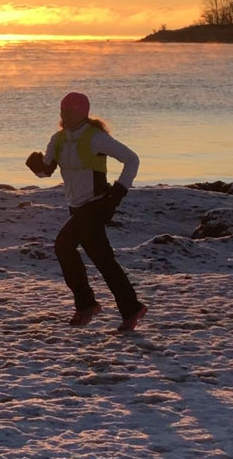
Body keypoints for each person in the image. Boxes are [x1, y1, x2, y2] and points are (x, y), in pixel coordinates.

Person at [26, 91, 147, 332]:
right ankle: (131, 309)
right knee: (104, 260)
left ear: (82, 113)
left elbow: (132, 160)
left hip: (97, 205)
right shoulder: (58, 140)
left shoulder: (95, 138)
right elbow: (45, 172)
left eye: (70, 112)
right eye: (62, 112)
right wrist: (36, 166)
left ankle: (86, 305)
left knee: (63, 244)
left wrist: (118, 192)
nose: (65, 116)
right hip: (77, 207)